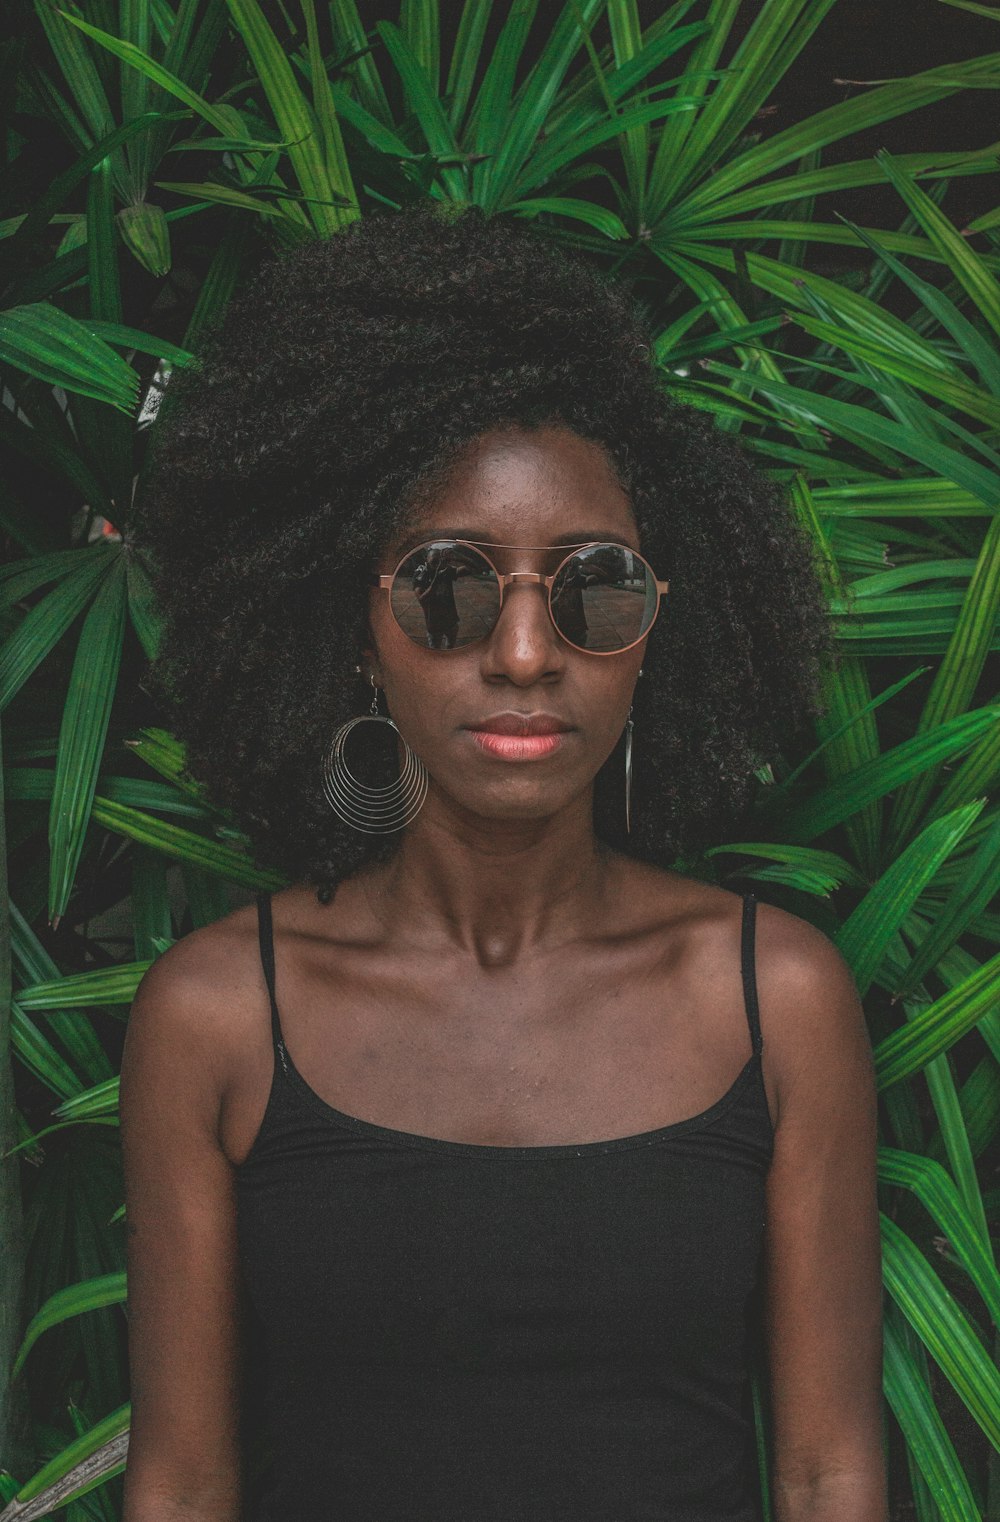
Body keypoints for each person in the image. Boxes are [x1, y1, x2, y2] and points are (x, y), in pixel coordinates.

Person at [120, 201, 886, 1522]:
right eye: (449, 586)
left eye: (590, 588)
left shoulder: (774, 1001)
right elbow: (184, 1484)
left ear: (652, 632)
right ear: (358, 628)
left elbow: (827, 1473)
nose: (526, 652)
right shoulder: (218, 1018)